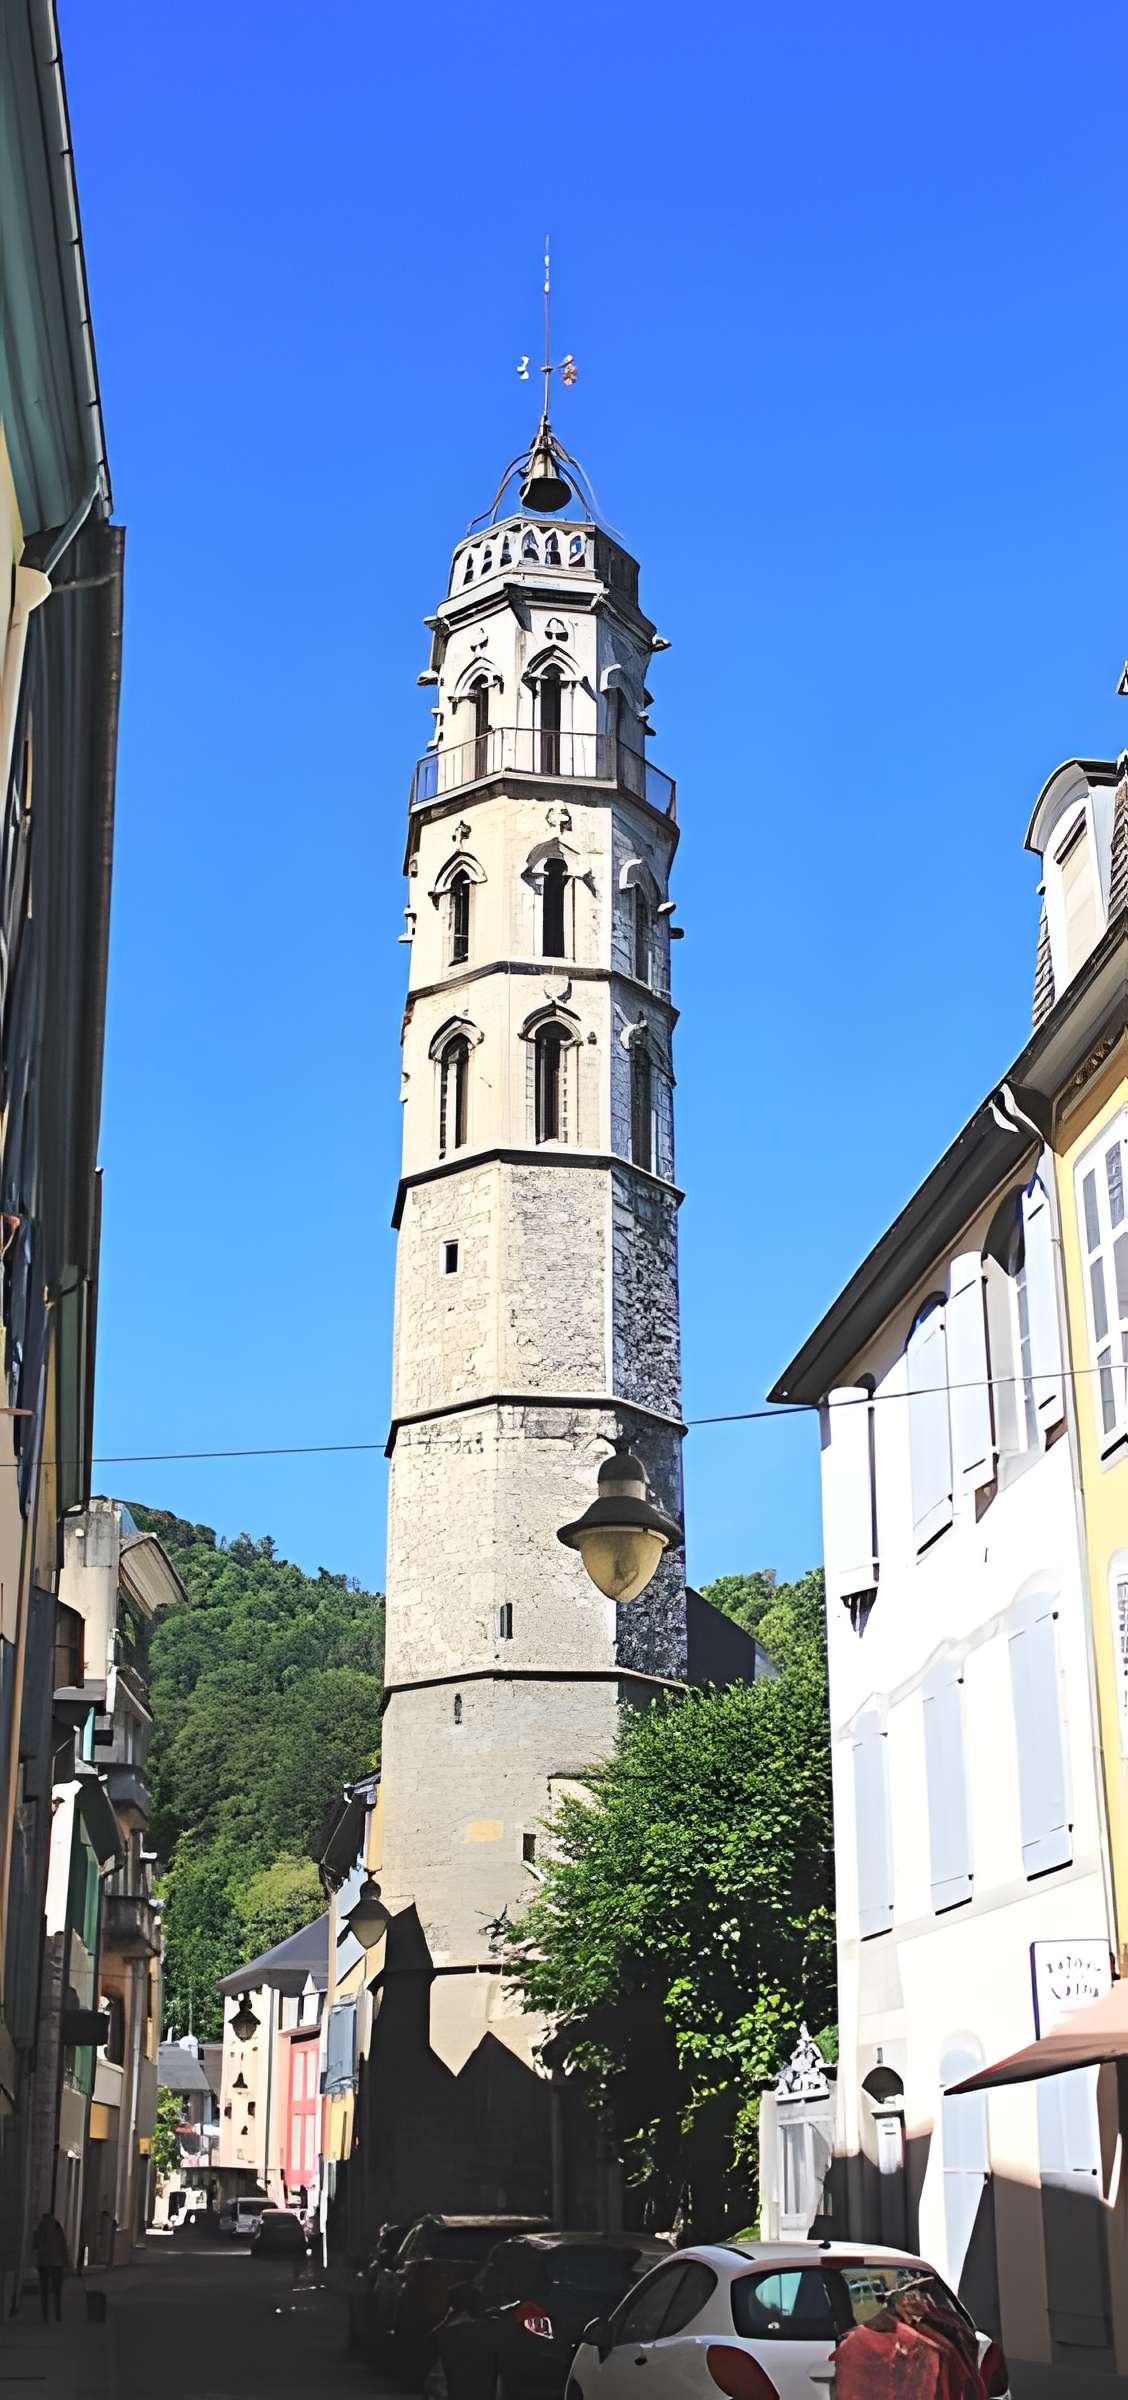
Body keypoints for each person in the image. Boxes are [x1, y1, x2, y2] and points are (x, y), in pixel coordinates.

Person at [31, 2213, 67, 2324]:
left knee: (44, 2292)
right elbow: (63, 2245)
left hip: (43, 2264)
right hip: (57, 2264)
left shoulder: (39, 2228)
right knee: (57, 2292)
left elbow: (34, 2245)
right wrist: (66, 2262)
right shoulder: (58, 2227)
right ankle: (58, 2315)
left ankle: (45, 2316)